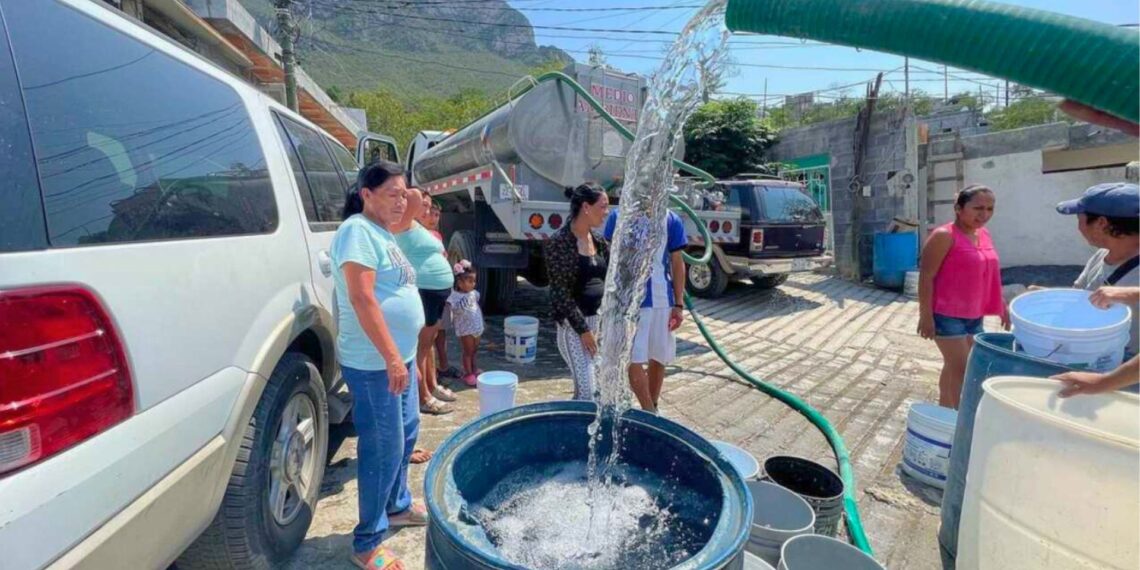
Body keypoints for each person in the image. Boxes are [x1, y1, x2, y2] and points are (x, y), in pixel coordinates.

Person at [330, 161, 426, 570]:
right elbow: (362, 297)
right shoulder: (356, 230)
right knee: (383, 447)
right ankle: (368, 542)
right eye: (392, 193)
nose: (401, 200)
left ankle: (397, 505)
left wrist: (403, 355)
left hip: (397, 358)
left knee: (406, 433)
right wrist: (390, 356)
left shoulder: (382, 232)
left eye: (404, 193)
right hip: (374, 364)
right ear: (366, 194)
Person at [917, 184, 1009, 409]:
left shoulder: (983, 234)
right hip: (946, 315)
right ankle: (959, 418)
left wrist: (1002, 306)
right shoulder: (943, 236)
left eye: (990, 209)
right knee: (965, 369)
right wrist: (925, 317)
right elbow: (926, 276)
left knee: (953, 367)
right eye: (978, 208)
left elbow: (989, 274)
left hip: (974, 315)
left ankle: (944, 411)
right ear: (959, 208)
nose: (984, 214)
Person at [604, 206, 687, 413]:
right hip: (630, 302)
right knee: (633, 358)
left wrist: (679, 303)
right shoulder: (620, 215)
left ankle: (653, 405)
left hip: (662, 300)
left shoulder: (670, 219)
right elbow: (609, 258)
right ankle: (649, 411)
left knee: (659, 356)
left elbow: (678, 263)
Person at [1055, 182, 1139, 359]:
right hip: (1099, 360)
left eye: (1080, 219)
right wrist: (1048, 297)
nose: (1079, 227)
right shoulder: (1101, 256)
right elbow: (1080, 296)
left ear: (1102, 223)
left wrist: (1131, 293)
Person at [392, 187, 456, 417]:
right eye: (424, 205)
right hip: (424, 291)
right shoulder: (403, 223)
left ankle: (432, 385)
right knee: (420, 349)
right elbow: (414, 196)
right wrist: (410, 189)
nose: (427, 208)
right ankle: (423, 397)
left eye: (430, 207)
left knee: (428, 347)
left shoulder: (418, 227)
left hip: (435, 292)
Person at [544, 183, 610, 400]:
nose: (607, 212)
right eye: (603, 206)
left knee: (593, 391)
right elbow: (560, 294)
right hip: (574, 329)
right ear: (586, 207)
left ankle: (574, 427)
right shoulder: (559, 243)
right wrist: (583, 330)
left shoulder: (599, 242)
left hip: (597, 325)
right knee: (588, 392)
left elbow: (611, 278)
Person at [446, 260, 485, 386]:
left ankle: (474, 369)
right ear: (459, 282)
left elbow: (476, 306)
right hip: (465, 329)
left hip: (476, 327)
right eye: (469, 281)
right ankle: (468, 373)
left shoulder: (474, 294)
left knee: (474, 350)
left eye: (474, 281)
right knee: (468, 351)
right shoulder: (454, 296)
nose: (473, 284)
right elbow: (449, 307)